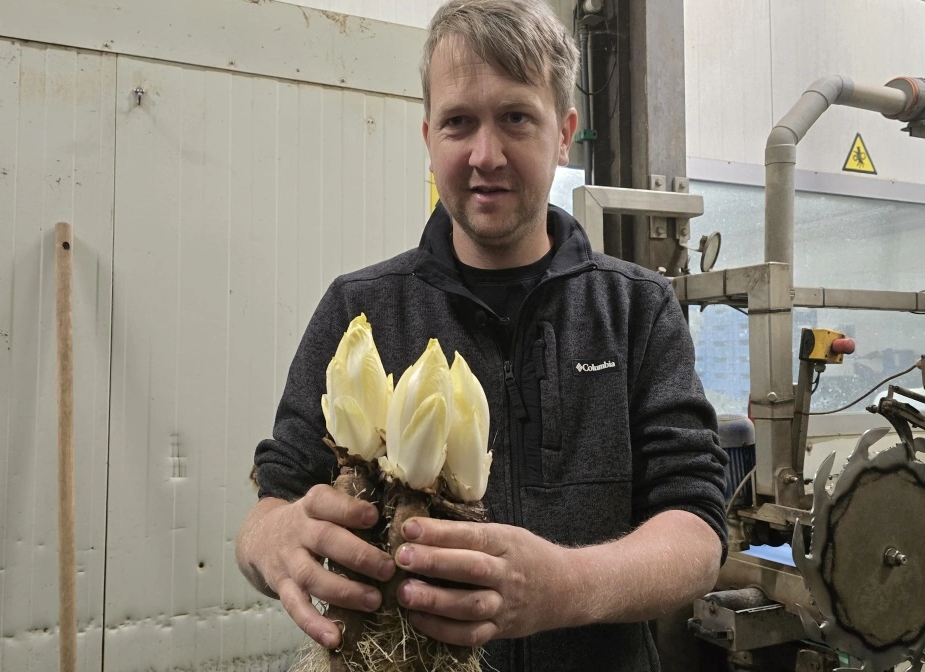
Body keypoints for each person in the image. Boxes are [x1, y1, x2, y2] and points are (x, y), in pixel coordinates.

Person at [235, 0, 727, 669]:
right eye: (458, 122)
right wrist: (271, 541)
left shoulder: (636, 309)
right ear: (428, 136)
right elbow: (273, 503)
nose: (485, 155)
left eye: (516, 118)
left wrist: (565, 586)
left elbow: (697, 531)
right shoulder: (360, 310)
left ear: (564, 134)